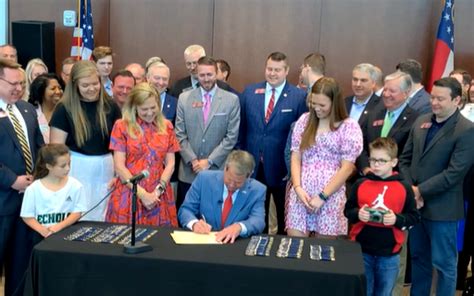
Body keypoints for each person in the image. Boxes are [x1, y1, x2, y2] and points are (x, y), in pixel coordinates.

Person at [399, 77, 474, 296]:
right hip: (416, 207)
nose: (434, 103)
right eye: (432, 97)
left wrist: (419, 191)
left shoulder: (467, 130)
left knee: (444, 265)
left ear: (457, 100)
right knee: (419, 259)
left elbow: (454, 173)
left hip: (443, 210)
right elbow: (404, 159)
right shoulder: (421, 121)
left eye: (440, 99)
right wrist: (410, 190)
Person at [239, 51, 307, 234]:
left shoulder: (298, 97)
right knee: (256, 216)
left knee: (284, 219)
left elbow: (301, 136)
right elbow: (242, 129)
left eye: (277, 70)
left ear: (286, 71)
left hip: (282, 168)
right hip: (253, 167)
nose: (272, 73)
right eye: (269, 69)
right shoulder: (249, 93)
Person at [286, 77, 362, 237]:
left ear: (334, 103)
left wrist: (323, 196)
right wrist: (298, 188)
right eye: (313, 103)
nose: (317, 109)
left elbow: (347, 167)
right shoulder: (304, 121)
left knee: (323, 252)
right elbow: (295, 156)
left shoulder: (348, 126)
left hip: (330, 196)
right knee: (294, 249)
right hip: (302, 194)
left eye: (322, 105)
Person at [345, 137, 419, 296]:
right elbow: (348, 211)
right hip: (361, 251)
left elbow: (414, 217)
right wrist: (358, 214)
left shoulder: (403, 187)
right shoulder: (361, 184)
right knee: (364, 291)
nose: (376, 165)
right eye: (372, 160)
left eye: (381, 161)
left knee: (384, 292)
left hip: (389, 255)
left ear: (393, 162)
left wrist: (397, 220)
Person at [50, 60, 122, 221]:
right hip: (75, 167)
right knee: (77, 213)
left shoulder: (111, 106)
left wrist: (119, 172)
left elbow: (120, 145)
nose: (91, 89)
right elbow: (55, 148)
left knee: (103, 214)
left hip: (106, 167)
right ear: (75, 85)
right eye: (85, 85)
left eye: (95, 84)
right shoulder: (64, 108)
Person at [106, 83, 179, 226]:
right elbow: (119, 166)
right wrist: (142, 194)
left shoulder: (167, 126)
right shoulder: (121, 126)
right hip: (130, 191)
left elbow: (170, 164)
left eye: (153, 108)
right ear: (134, 107)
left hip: (159, 193)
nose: (150, 113)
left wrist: (157, 192)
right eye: (144, 109)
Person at [0, 59, 44, 296]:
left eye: (21, 83)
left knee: (20, 268)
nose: (18, 88)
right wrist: (12, 180)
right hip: (2, 201)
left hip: (27, 204)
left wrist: (39, 175)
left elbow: (39, 147)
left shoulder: (26, 109)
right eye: (12, 84)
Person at [175, 56, 240, 209]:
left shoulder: (231, 100)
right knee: (187, 217)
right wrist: (193, 161)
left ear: (216, 73)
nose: (206, 79)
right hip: (189, 171)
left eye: (209, 74)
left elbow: (231, 138)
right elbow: (179, 134)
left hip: (217, 171)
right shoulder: (184, 99)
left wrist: (209, 161)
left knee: (214, 218)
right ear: (197, 74)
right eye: (202, 75)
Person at [178, 150, 266, 243]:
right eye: (229, 179)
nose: (232, 185)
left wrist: (239, 227)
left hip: (235, 246)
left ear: (248, 176)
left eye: (238, 182)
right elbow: (185, 210)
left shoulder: (257, 190)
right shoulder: (204, 179)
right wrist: (194, 224)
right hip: (205, 244)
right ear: (225, 168)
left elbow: (258, 220)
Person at [20, 144, 86, 239]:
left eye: (69, 164)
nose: (67, 168)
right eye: (63, 166)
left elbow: (77, 212)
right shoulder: (33, 189)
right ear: (49, 166)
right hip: (40, 238)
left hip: (68, 236)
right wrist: (45, 232)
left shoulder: (76, 186)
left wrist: (59, 226)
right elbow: (27, 216)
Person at [169, 45, 234, 97]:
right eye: (188, 64)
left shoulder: (222, 87)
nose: (192, 67)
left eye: (195, 63)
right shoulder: (177, 87)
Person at [28, 73, 63, 143]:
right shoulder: (31, 114)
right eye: (53, 88)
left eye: (60, 88)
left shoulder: (65, 112)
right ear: (41, 91)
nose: (58, 92)